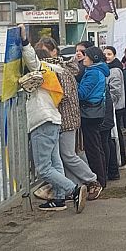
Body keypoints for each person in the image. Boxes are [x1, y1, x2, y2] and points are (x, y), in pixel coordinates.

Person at [19, 25, 88, 213]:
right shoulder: (55, 69)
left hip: (42, 121)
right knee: (55, 163)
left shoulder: (40, 69)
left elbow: (32, 60)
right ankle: (58, 199)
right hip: (53, 120)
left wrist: (24, 42)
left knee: (43, 167)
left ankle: (74, 190)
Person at [33, 37, 102, 201]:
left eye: (45, 51)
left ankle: (91, 181)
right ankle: (71, 188)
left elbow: (63, 95)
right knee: (66, 156)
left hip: (65, 118)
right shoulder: (62, 68)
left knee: (68, 155)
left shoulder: (58, 70)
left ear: (54, 51)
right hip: (66, 117)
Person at [77, 46, 109, 193]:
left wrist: (72, 83)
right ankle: (102, 177)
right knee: (97, 146)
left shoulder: (93, 73)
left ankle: (99, 180)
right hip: (96, 112)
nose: (84, 58)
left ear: (93, 59)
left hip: (89, 113)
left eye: (86, 56)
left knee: (92, 148)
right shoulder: (99, 71)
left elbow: (82, 93)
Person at [104, 46, 126, 171]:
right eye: (105, 54)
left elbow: (116, 91)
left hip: (115, 107)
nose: (107, 56)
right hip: (112, 106)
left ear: (114, 55)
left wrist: (109, 102)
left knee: (117, 134)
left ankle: (121, 160)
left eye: (109, 54)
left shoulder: (115, 70)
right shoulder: (108, 68)